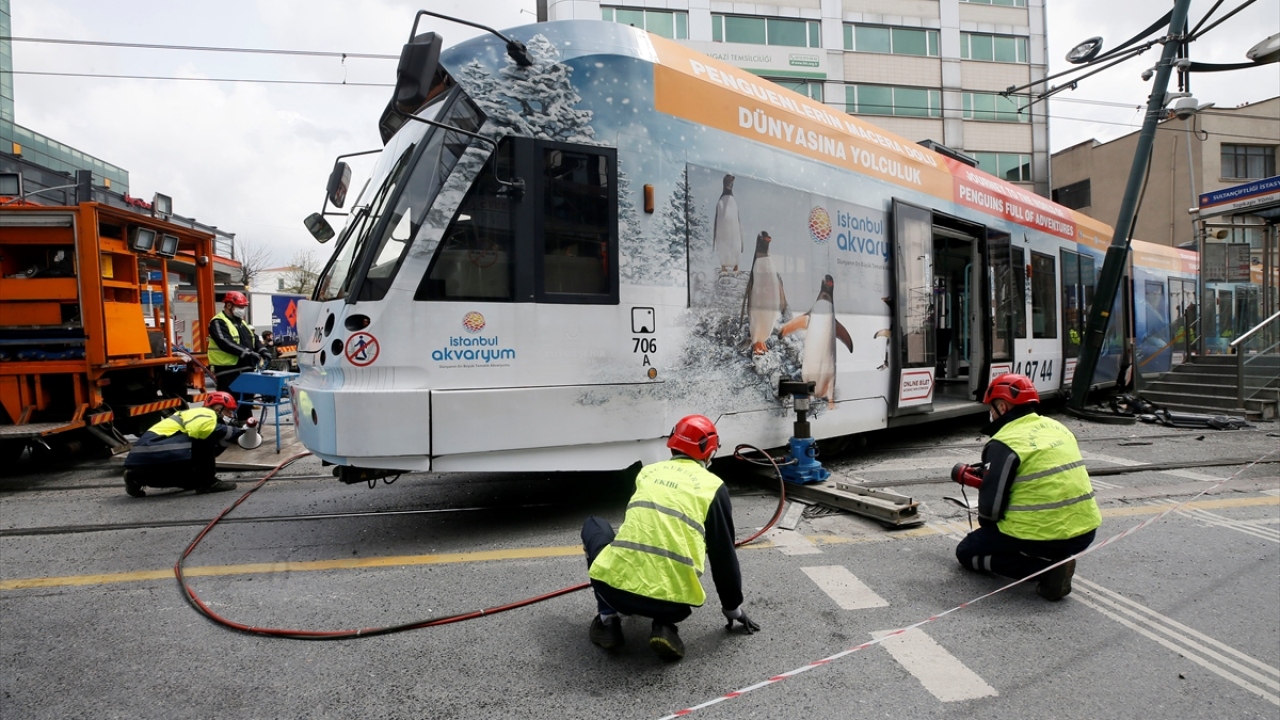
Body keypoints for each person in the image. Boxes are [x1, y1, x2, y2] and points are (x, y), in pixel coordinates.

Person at [582, 414, 759, 661]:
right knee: (671, 555)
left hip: (614, 590)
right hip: (675, 605)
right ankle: (664, 625)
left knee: (594, 525)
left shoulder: (647, 473)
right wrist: (733, 610)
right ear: (708, 451)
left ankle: (608, 620)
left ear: (673, 443)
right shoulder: (713, 487)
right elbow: (723, 556)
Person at [953, 374, 1101, 600]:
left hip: (1038, 535)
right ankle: (1052, 560)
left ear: (1002, 406)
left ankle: (1045, 573)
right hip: (1084, 532)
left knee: (966, 552)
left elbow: (990, 511)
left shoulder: (1004, 441)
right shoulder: (1058, 428)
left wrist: (987, 532)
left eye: (992, 408)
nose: (991, 414)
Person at [122, 391, 245, 497]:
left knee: (193, 482)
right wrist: (235, 432)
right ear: (219, 408)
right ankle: (209, 483)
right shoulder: (205, 413)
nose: (231, 416)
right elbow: (201, 431)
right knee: (205, 437)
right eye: (229, 411)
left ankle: (136, 477)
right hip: (155, 447)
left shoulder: (200, 416)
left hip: (146, 455)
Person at [208, 291, 265, 422]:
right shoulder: (218, 322)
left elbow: (253, 338)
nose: (242, 310)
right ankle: (224, 430)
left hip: (245, 369)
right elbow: (225, 342)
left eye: (243, 307)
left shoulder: (241, 322)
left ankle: (246, 429)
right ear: (228, 305)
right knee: (227, 402)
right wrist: (248, 353)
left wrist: (262, 349)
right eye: (240, 307)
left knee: (246, 401)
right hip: (228, 371)